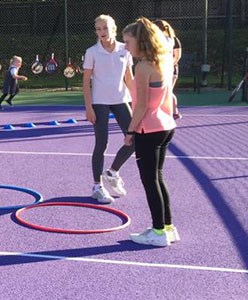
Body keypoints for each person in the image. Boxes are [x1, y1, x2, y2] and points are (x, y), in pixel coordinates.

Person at [122, 17, 179, 247]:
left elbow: (142, 105)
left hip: (149, 129)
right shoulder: (163, 61)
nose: (126, 47)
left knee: (150, 181)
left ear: (140, 40)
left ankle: (158, 232)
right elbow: (167, 98)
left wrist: (130, 130)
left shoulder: (143, 67)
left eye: (128, 42)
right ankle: (167, 227)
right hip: (165, 126)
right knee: (158, 177)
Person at [82, 15, 136, 204]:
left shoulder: (125, 49)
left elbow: (129, 78)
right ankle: (97, 187)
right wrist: (88, 107)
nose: (101, 32)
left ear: (113, 29)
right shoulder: (92, 52)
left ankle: (112, 172)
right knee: (101, 143)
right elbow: (86, 82)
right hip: (100, 102)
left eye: (105, 28)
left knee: (134, 139)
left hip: (122, 100)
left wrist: (137, 102)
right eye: (98, 29)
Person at [153, 19, 182, 120]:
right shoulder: (155, 40)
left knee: (168, 91)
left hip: (171, 70)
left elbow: (177, 56)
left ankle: (174, 112)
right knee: (163, 92)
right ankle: (167, 112)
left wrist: (168, 66)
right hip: (160, 70)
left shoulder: (173, 40)